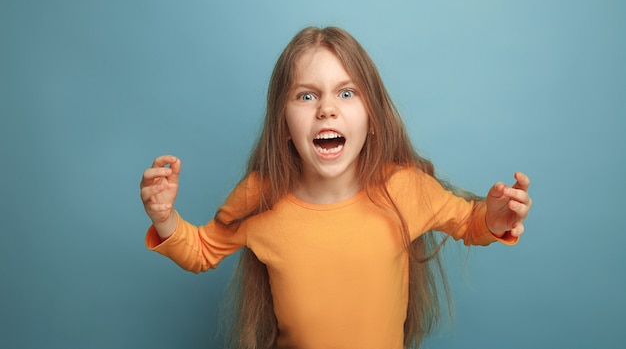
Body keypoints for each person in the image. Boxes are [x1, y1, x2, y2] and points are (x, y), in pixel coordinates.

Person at [140, 26, 532, 349]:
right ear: (284, 126)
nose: (327, 109)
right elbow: (203, 250)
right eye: (306, 95)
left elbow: (470, 222)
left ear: (372, 117)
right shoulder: (261, 196)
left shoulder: (404, 189)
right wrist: (166, 218)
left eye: (346, 93)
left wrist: (494, 218)